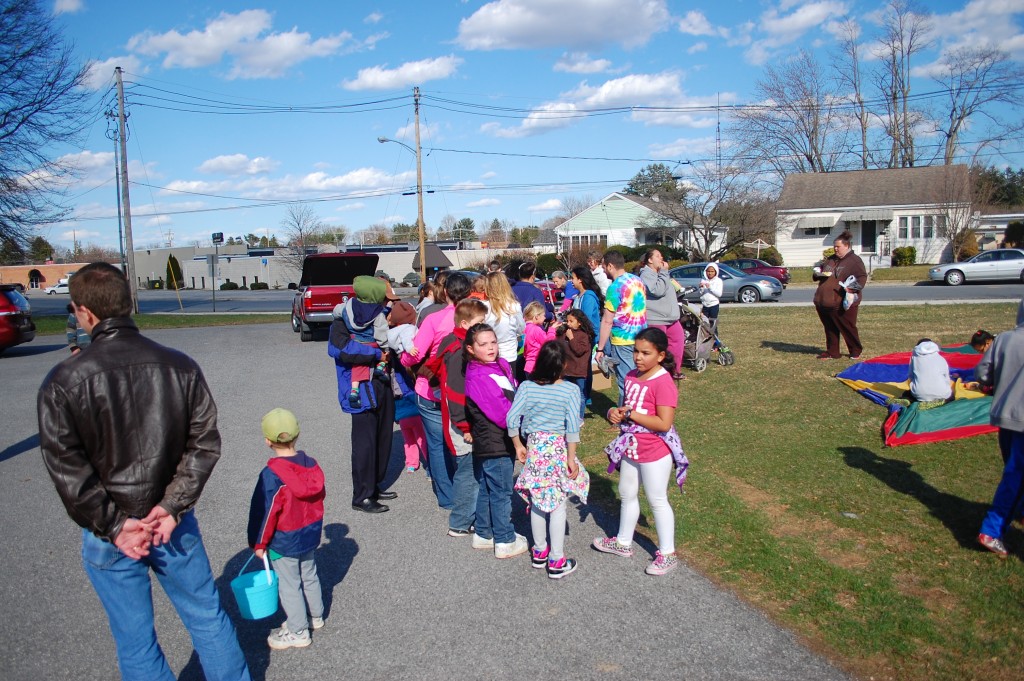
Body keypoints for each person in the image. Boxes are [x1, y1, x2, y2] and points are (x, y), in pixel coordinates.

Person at [37, 262, 251, 681]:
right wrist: (168, 508)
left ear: (84, 312)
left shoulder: (63, 380)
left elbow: (67, 469)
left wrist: (118, 525)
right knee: (206, 616)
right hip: (165, 522)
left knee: (136, 640)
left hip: (123, 530)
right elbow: (203, 444)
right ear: (129, 303)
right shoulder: (179, 366)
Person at [593, 328, 688, 576]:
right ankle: (623, 542)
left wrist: (631, 414)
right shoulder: (631, 376)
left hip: (655, 451)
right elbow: (627, 408)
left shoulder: (663, 382)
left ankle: (668, 554)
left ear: (660, 355)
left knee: (657, 500)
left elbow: (664, 423)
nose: (638, 357)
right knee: (626, 493)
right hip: (631, 447)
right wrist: (614, 413)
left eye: (646, 353)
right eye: (636, 351)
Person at [509, 341, 590, 579]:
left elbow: (512, 418)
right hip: (557, 449)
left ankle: (540, 550)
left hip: (535, 447)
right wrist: (571, 459)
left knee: (537, 501)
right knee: (557, 504)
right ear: (563, 365)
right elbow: (572, 428)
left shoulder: (526, 387)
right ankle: (556, 559)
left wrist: (518, 445)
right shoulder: (570, 391)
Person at [247, 408, 325, 650]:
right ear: (297, 435)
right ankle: (315, 616)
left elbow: (265, 512)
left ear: (267, 441)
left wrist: (259, 543)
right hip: (310, 531)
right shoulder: (311, 465)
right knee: (309, 574)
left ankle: (298, 630)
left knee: (289, 584)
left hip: (284, 538)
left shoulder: (271, 475)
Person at [401, 272, 472, 511]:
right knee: (464, 441)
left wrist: (403, 358)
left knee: (437, 444)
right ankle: (468, 492)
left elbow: (415, 354)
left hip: (432, 388)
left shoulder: (434, 319)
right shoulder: (476, 318)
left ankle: (448, 497)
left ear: (445, 292)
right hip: (464, 389)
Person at [463, 323, 528, 559]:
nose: (490, 347)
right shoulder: (478, 375)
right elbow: (503, 414)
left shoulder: (498, 364)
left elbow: (513, 390)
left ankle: (484, 532)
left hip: (499, 438)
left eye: (493, 342)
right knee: (501, 491)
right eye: (483, 344)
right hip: (494, 440)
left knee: (489, 487)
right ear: (471, 349)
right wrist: (523, 425)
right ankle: (504, 539)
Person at [424, 298, 488, 538]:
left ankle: (470, 516)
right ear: (465, 324)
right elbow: (455, 392)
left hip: (463, 420)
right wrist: (464, 425)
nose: (484, 325)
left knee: (470, 470)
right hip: (461, 423)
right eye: (480, 322)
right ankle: (460, 521)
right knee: (467, 472)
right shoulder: (458, 351)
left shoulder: (456, 342)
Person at [329, 296, 397, 514]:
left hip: (381, 383)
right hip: (358, 391)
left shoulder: (380, 318)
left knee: (383, 438)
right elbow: (343, 350)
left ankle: (374, 486)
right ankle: (362, 495)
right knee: (364, 445)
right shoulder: (341, 322)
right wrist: (377, 352)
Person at [975, 298, 1024, 557]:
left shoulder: (1004, 339)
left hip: (1005, 416)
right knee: (1016, 475)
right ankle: (992, 530)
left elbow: (983, 373)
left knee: (1014, 471)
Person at [595, 250, 647, 406]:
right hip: (642, 337)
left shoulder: (615, 287)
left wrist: (600, 349)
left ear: (610, 266)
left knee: (626, 382)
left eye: (604, 266)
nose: (603, 270)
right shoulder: (638, 281)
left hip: (623, 340)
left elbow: (607, 321)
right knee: (640, 378)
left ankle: (625, 415)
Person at [334, 275, 390, 407]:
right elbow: (381, 333)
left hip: (357, 342)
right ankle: (381, 367)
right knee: (385, 353)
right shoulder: (377, 312)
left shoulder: (347, 306)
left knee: (358, 365)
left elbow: (336, 311)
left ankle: (354, 391)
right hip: (373, 343)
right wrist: (386, 348)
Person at [813, 231, 867, 360]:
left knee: (847, 327)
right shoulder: (831, 259)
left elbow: (862, 278)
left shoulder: (854, 261)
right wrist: (817, 273)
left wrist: (851, 289)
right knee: (830, 328)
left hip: (842, 302)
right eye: (834, 246)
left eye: (838, 246)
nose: (835, 249)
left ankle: (855, 351)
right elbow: (821, 270)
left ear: (846, 246)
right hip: (824, 302)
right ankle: (833, 352)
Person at [387, 301, 427, 475]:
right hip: (413, 400)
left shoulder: (390, 335)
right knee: (421, 436)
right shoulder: (409, 330)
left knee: (407, 438)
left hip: (399, 399)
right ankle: (429, 465)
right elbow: (408, 343)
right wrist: (411, 349)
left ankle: (411, 463)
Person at [640, 249, 685, 379]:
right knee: (657, 348)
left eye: (661, 256)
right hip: (656, 318)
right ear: (650, 260)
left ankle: (673, 371)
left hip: (671, 318)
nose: (661, 258)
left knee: (678, 341)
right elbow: (657, 290)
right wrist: (664, 273)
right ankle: (655, 373)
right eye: (658, 256)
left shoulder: (661, 273)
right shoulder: (646, 274)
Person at [557, 309, 595, 419]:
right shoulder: (566, 332)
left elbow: (579, 351)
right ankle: (566, 415)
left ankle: (579, 417)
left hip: (579, 371)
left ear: (579, 323)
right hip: (567, 369)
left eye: (571, 321)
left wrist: (571, 338)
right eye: (567, 321)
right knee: (565, 393)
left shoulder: (584, 336)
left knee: (580, 394)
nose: (568, 323)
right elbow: (558, 344)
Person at [482, 271, 525, 365]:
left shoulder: (483, 307)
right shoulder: (514, 306)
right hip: (509, 353)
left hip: (488, 353)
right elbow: (521, 328)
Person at [522, 301, 550, 378]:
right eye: (543, 315)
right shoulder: (536, 330)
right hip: (537, 365)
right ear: (537, 316)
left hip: (528, 365)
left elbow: (522, 347)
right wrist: (552, 330)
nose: (545, 318)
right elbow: (548, 344)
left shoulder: (524, 328)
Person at [698, 263, 723, 329]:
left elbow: (719, 294)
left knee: (713, 324)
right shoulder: (703, 280)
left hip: (714, 305)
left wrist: (710, 287)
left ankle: (714, 335)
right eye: (708, 271)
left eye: (712, 271)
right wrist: (701, 287)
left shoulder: (718, 281)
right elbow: (700, 293)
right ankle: (705, 335)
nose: (710, 273)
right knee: (704, 323)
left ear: (715, 272)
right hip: (705, 305)